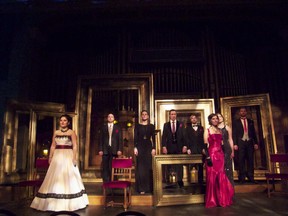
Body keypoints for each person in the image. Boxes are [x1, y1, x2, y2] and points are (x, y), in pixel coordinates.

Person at [30, 114, 89, 211]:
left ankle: (70, 203)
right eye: (61, 120)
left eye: (64, 120)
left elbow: (75, 146)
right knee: (55, 177)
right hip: (57, 156)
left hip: (67, 155)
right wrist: (50, 156)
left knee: (68, 176)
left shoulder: (71, 133)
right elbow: (53, 145)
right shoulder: (56, 132)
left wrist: (74, 157)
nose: (62, 122)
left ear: (68, 122)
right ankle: (51, 202)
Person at [204, 113, 234, 208]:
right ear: (210, 120)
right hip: (212, 155)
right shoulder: (207, 130)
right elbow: (205, 145)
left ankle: (221, 199)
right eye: (213, 119)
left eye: (216, 119)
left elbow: (222, 144)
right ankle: (212, 200)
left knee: (221, 176)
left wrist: (228, 152)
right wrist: (208, 157)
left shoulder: (220, 130)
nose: (216, 120)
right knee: (212, 178)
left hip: (220, 155)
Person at [232, 107, 258, 184]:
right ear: (239, 113)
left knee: (250, 160)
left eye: (244, 111)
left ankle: (251, 177)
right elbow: (234, 133)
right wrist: (235, 144)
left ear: (246, 112)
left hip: (249, 142)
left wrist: (255, 143)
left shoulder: (250, 121)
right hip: (240, 142)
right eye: (241, 111)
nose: (243, 112)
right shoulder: (236, 122)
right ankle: (242, 178)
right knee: (241, 160)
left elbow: (253, 133)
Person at [161, 109, 186, 188]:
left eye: (174, 114)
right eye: (172, 114)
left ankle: (180, 180)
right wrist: (164, 146)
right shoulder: (166, 125)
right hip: (170, 147)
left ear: (176, 115)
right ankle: (170, 181)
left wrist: (185, 146)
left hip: (179, 146)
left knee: (179, 164)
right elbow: (164, 136)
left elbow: (184, 136)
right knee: (169, 164)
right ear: (169, 115)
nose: (173, 115)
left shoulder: (180, 124)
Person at [134, 110, 156, 194]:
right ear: (141, 116)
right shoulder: (137, 126)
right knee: (140, 168)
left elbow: (153, 138)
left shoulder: (151, 126)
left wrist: (153, 148)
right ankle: (141, 188)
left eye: (145, 114)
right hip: (140, 146)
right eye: (142, 114)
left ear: (148, 116)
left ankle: (149, 188)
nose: (144, 115)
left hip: (148, 147)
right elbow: (135, 138)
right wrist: (135, 148)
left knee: (148, 166)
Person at [98, 113, 123, 183]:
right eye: (109, 116)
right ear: (107, 118)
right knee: (105, 166)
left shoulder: (118, 128)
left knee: (113, 166)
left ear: (114, 118)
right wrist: (100, 149)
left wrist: (120, 149)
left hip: (114, 149)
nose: (110, 118)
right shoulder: (103, 127)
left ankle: (114, 181)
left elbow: (120, 139)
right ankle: (106, 182)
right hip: (105, 150)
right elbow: (100, 139)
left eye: (111, 117)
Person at [185, 114, 205, 184]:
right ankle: (191, 181)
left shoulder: (201, 128)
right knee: (191, 165)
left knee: (200, 166)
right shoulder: (187, 128)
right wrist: (188, 148)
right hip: (191, 149)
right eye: (192, 118)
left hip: (200, 149)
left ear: (197, 119)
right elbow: (186, 139)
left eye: (194, 118)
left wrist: (203, 148)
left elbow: (203, 139)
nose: (193, 119)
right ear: (190, 120)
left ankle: (200, 181)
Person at [217, 113, 235, 186]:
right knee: (220, 168)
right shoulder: (213, 128)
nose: (219, 118)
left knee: (228, 168)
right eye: (217, 117)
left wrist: (232, 151)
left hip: (227, 148)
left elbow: (230, 139)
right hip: (218, 149)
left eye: (220, 116)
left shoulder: (227, 127)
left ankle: (229, 188)